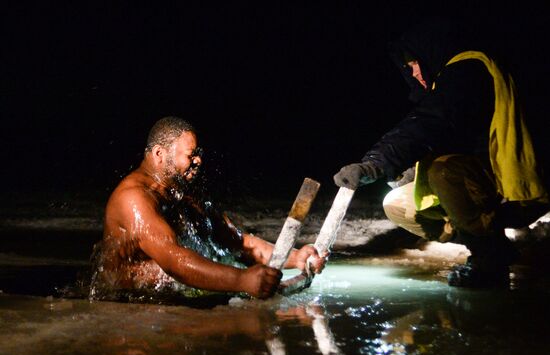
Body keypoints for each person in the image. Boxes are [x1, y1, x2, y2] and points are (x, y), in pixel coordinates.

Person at [334, 20, 549, 287]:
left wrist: (374, 165)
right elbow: (452, 138)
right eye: (407, 69)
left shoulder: (469, 69)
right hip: (486, 189)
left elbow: (433, 121)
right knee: (398, 203)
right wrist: (410, 171)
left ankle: (490, 259)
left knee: (444, 171)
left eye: (413, 64)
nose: (413, 74)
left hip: (519, 191)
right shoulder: (447, 85)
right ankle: (489, 239)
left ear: (428, 53)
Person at [91, 116, 326, 300]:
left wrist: (295, 258)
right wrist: (242, 280)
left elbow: (238, 243)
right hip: (130, 309)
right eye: (191, 155)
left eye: (199, 154)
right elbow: (175, 261)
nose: (199, 161)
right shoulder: (133, 199)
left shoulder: (180, 192)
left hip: (173, 298)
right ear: (159, 154)